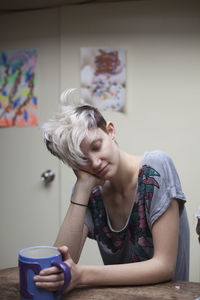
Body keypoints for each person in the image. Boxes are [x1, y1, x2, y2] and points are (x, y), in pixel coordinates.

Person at [34, 88, 190, 294]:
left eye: (96, 146)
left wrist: (82, 275)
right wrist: (82, 187)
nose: (95, 163)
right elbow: (60, 262)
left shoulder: (155, 167)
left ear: (110, 131)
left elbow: (163, 266)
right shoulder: (91, 190)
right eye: (82, 160)